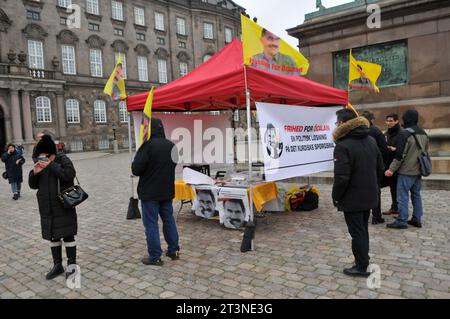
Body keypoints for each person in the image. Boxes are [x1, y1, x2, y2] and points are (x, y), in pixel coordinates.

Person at [332, 109, 384, 277]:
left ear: (342, 123)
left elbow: (341, 178)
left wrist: (336, 197)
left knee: (357, 232)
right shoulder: (370, 140)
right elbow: (379, 168)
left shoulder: (342, 145)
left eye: (337, 122)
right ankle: (363, 260)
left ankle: (362, 266)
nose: (336, 125)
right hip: (369, 194)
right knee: (363, 231)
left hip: (352, 198)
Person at [28, 135, 78, 280]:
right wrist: (34, 173)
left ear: (51, 153)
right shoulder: (39, 161)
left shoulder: (62, 159)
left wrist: (51, 165)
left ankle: (72, 266)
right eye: (40, 155)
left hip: (63, 205)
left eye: (45, 155)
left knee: (68, 235)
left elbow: (69, 175)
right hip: (47, 207)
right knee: (53, 236)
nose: (42, 158)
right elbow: (33, 185)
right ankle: (57, 265)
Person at [132, 118, 180, 266]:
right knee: (169, 220)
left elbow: (136, 170)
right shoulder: (172, 146)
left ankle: (155, 256)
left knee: (151, 224)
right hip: (166, 191)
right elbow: (174, 164)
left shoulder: (147, 147)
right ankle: (174, 250)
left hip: (150, 193)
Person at [385, 110, 429, 229]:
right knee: (416, 195)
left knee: (402, 196)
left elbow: (400, 155)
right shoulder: (423, 133)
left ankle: (402, 220)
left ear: (406, 119)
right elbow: (425, 151)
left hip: (406, 171)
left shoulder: (405, 133)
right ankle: (416, 219)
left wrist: (391, 169)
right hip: (418, 170)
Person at [361, 111, 388, 225]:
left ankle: (362, 214)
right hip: (375, 166)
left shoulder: (357, 131)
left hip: (361, 165)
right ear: (371, 120)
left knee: (362, 189)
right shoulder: (375, 131)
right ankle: (376, 216)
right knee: (375, 190)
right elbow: (383, 149)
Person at [383, 113, 402, 216]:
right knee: (392, 187)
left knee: (397, 188)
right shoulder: (386, 134)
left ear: (396, 121)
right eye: (387, 121)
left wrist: (395, 149)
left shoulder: (401, 133)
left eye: (391, 121)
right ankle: (395, 207)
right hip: (388, 164)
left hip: (398, 165)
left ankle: (398, 208)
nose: (389, 123)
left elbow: (404, 149)